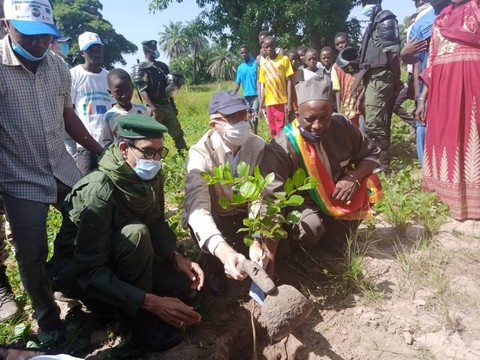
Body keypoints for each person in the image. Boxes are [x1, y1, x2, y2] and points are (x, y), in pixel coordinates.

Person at [50, 114, 203, 350]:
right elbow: (89, 270)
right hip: (85, 272)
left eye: (160, 152)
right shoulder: (98, 191)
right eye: (148, 152)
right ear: (124, 148)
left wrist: (176, 256)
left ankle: (137, 297)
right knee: (136, 234)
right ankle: (137, 324)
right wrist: (150, 302)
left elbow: (156, 222)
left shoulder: (150, 175)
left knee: (184, 284)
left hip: (125, 257)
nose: (155, 159)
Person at [0, 0, 102, 338]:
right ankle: (48, 319)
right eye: (30, 35)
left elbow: (68, 115)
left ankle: (67, 282)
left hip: (61, 165)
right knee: (30, 252)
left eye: (46, 36)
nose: (40, 44)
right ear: (6, 25)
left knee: (91, 215)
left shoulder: (57, 65)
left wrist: (100, 150)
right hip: (19, 175)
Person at [265, 76, 382, 252]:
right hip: (303, 201)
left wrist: (353, 177)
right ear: (297, 116)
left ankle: (339, 238)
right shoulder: (284, 145)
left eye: (324, 118)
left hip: (338, 191)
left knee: (371, 183)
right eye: (309, 119)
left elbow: (371, 156)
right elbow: (273, 196)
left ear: (331, 112)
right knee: (310, 227)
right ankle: (304, 253)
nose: (317, 125)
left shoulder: (342, 125)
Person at [183, 90, 276, 296]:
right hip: (218, 214)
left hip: (244, 214)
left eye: (243, 115)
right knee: (194, 218)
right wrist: (223, 252)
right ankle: (214, 267)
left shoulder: (257, 146)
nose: (241, 122)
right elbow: (199, 206)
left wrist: (256, 238)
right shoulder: (200, 153)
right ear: (214, 124)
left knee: (275, 251)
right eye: (232, 118)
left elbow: (260, 195)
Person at [416, 0, 480, 220]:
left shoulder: (477, 8)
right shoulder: (440, 20)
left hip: (474, 83)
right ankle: (445, 196)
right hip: (442, 89)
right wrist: (423, 98)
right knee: (446, 136)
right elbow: (431, 63)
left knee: (473, 135)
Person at [357, 0, 401, 174]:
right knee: (375, 123)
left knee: (375, 125)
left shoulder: (385, 19)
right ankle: (378, 162)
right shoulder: (372, 24)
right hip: (371, 79)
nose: (365, 5)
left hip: (380, 78)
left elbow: (394, 55)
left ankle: (381, 165)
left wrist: (395, 79)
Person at [71, 31, 113, 176]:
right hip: (85, 145)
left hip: (109, 144)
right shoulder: (74, 75)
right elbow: (69, 110)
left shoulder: (109, 77)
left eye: (98, 48)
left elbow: (114, 108)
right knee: (86, 185)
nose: (96, 53)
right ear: (82, 52)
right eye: (91, 50)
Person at [135, 39, 187, 153]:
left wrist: (173, 105)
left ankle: (184, 154)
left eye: (155, 47)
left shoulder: (162, 66)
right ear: (145, 50)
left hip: (166, 105)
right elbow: (143, 90)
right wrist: (153, 108)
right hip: (153, 106)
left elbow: (170, 88)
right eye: (152, 48)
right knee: (154, 136)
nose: (155, 50)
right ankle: (155, 159)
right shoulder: (142, 68)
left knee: (177, 132)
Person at [258, 35, 294, 138]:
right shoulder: (264, 65)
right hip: (269, 103)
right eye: (266, 46)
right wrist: (261, 106)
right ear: (263, 48)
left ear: (275, 46)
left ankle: (283, 151)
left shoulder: (284, 59)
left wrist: (289, 102)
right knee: (272, 130)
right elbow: (264, 86)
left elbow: (289, 81)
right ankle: (276, 151)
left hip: (281, 101)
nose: (269, 49)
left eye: (271, 46)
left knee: (281, 129)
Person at [103, 68, 148, 146]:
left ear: (132, 88)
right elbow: (107, 141)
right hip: (122, 156)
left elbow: (151, 132)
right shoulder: (110, 116)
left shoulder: (142, 109)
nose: (124, 95)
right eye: (118, 91)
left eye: (127, 89)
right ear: (110, 93)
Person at [331, 32, 365, 127]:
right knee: (353, 130)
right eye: (338, 44)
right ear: (335, 47)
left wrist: (360, 98)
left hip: (364, 99)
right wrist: (338, 110)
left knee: (366, 128)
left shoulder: (360, 60)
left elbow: (367, 80)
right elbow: (337, 89)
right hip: (348, 105)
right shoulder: (335, 67)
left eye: (343, 42)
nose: (341, 45)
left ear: (348, 41)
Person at [233, 44, 259, 134]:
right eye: (242, 53)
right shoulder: (240, 68)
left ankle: (255, 134)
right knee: (248, 117)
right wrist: (232, 93)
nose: (243, 54)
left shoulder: (256, 64)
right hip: (246, 97)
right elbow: (237, 83)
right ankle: (252, 134)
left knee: (254, 116)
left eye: (245, 52)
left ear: (249, 52)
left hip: (256, 95)